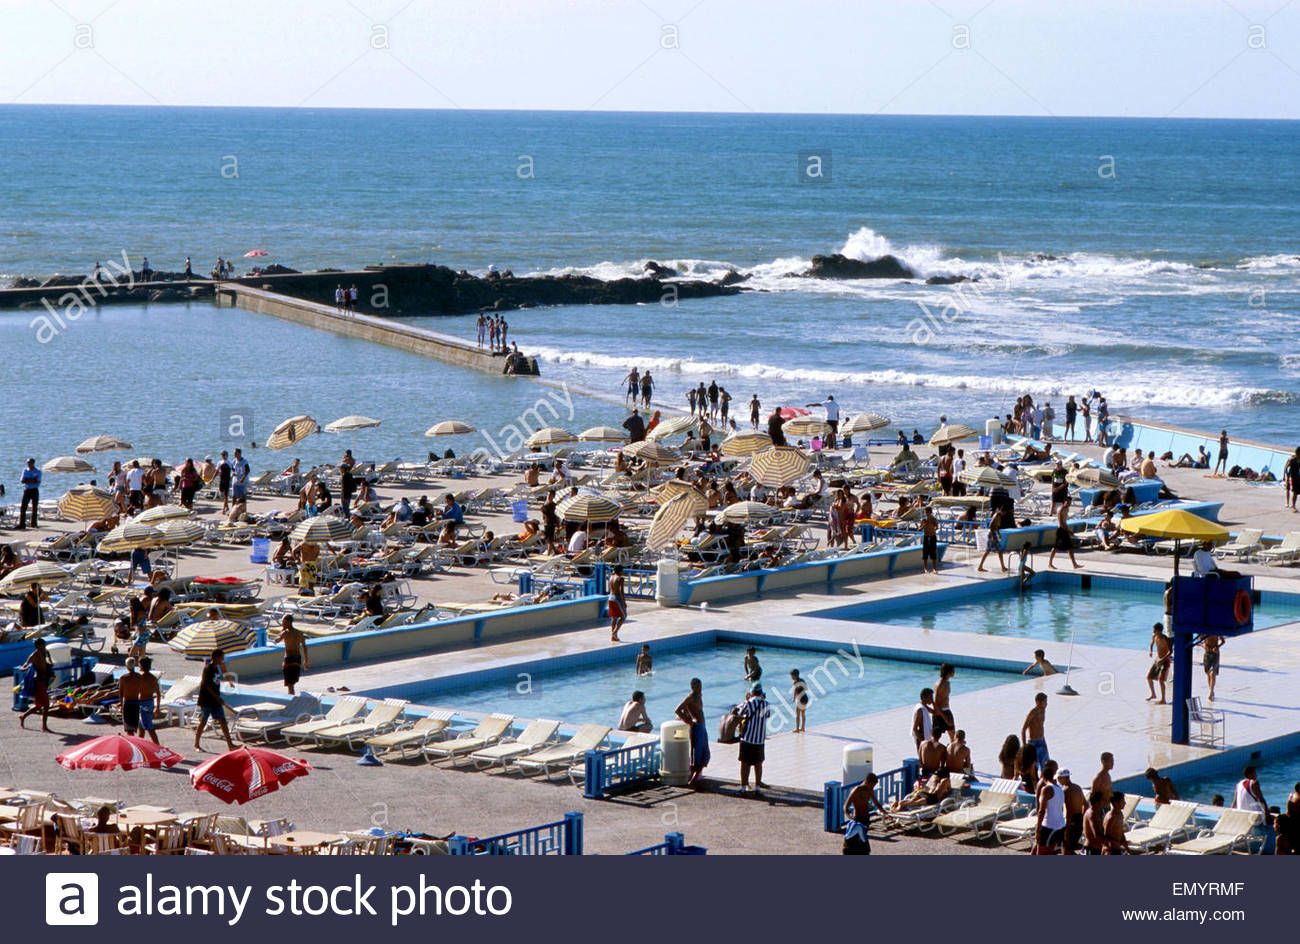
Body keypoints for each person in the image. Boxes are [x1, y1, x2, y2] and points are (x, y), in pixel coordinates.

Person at [194, 649, 236, 751]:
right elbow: (206, 685)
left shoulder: (216, 668)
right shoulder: (208, 669)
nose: (223, 659)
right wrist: (217, 698)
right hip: (207, 700)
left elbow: (223, 674)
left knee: (222, 721)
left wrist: (229, 681)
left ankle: (230, 745)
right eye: (222, 657)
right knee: (203, 722)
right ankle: (196, 744)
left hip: (215, 700)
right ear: (216, 658)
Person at [736, 683, 771, 795]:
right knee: (758, 764)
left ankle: (743, 787)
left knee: (744, 764)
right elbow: (768, 715)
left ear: (752, 692)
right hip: (759, 739)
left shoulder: (748, 703)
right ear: (761, 693)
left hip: (747, 738)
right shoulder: (766, 704)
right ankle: (757, 788)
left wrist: (746, 699)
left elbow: (739, 713)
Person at [674, 678, 710, 787]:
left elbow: (688, 710)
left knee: (705, 755)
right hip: (697, 726)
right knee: (698, 756)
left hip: (702, 726)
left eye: (700, 685)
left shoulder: (698, 696)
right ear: (692, 687)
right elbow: (678, 710)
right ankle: (693, 782)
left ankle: (692, 779)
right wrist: (688, 721)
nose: (700, 688)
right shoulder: (691, 697)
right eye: (697, 686)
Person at [841, 772, 884, 854]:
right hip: (857, 818)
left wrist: (885, 813)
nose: (873, 787)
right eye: (872, 785)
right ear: (867, 781)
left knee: (863, 840)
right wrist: (849, 817)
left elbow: (877, 803)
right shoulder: (856, 790)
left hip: (866, 818)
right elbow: (846, 806)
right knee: (853, 840)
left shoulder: (870, 790)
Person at [18, 638, 53, 731]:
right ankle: (44, 727)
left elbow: (50, 662)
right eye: (43, 645)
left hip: (44, 681)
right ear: (38, 646)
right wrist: (25, 669)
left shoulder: (45, 652)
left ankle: (23, 716)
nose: (44, 647)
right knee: (46, 705)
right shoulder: (34, 655)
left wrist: (49, 660)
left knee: (39, 705)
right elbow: (24, 665)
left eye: (44, 645)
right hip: (38, 682)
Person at [1033, 761, 1066, 854]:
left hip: (1049, 826)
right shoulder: (1060, 789)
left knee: (1041, 853)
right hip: (1060, 825)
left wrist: (1037, 829)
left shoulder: (1046, 789)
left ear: (1043, 777)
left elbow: (1042, 811)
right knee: (1050, 852)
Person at [279, 614, 309, 695]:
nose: (282, 624)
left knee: (290, 685)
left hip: (289, 659)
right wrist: (306, 661)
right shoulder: (299, 633)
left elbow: (277, 640)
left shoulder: (285, 633)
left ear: (288, 622)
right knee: (292, 683)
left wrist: (282, 632)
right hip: (297, 659)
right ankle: (292, 695)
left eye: (283, 622)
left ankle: (291, 698)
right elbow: (304, 647)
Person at [1058, 769, 1086, 854]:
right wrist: (1082, 819)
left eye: (1059, 778)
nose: (1058, 780)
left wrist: (1066, 828)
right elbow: (1085, 805)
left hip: (1071, 821)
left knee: (1066, 848)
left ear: (1064, 778)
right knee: (1069, 848)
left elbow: (1069, 810)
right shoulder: (1078, 787)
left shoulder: (1066, 790)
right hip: (1080, 819)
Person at [118, 658, 146, 736]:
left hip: (127, 703)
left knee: (129, 730)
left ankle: (130, 742)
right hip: (136, 703)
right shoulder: (139, 677)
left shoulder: (123, 678)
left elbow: (121, 693)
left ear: (127, 666)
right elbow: (142, 691)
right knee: (134, 727)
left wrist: (121, 705)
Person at [137, 656, 161, 744]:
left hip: (143, 703)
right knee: (141, 728)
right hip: (149, 702)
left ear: (141, 665)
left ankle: (158, 746)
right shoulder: (153, 678)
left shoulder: (140, 677)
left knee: (149, 727)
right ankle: (140, 746)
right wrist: (157, 707)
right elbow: (158, 693)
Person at [1146, 623, 1172, 703]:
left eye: (1155, 631)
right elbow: (1151, 643)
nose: (1153, 632)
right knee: (1149, 677)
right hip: (1158, 659)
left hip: (1165, 661)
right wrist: (1150, 651)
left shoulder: (1165, 639)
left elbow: (1170, 652)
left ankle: (1163, 699)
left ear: (1159, 631)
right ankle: (1153, 694)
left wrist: (1163, 659)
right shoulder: (1154, 636)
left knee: (1161, 680)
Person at [1021, 692, 1049, 768]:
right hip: (1033, 743)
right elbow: (1023, 729)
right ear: (1038, 702)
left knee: (1046, 765)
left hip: (1042, 740)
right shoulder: (1032, 713)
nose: (1046, 704)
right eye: (1045, 702)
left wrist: (1044, 741)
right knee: (1033, 767)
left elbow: (1041, 726)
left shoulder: (1043, 711)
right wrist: (1024, 747)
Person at [977, 507, 1008, 573]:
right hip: (992, 535)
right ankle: (1002, 567)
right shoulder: (996, 516)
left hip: (993, 534)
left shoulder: (999, 516)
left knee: (994, 551)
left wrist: (998, 534)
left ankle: (1002, 567)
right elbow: (991, 525)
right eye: (1004, 512)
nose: (1004, 514)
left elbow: (996, 527)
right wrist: (994, 537)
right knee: (994, 551)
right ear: (1002, 511)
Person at [1196, 632, 1224, 701]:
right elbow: (1199, 641)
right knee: (1208, 674)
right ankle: (1211, 690)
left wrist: (1217, 647)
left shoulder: (1217, 630)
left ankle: (1211, 693)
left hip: (1215, 654)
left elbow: (1223, 641)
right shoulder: (1205, 631)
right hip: (1207, 653)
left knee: (1213, 673)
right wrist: (1204, 646)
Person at [933, 662, 955, 739]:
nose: (954, 672)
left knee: (953, 737)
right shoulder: (940, 684)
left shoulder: (947, 683)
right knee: (935, 738)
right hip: (940, 713)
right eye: (953, 671)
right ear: (948, 672)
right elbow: (935, 703)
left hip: (947, 710)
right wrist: (945, 717)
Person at [1082, 790, 1108, 854]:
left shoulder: (1098, 812)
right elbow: (1096, 835)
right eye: (1102, 800)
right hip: (1090, 849)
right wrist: (1113, 841)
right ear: (1097, 802)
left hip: (1097, 848)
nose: (1104, 802)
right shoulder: (1091, 814)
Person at [608, 564, 627, 642]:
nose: (623, 572)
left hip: (610, 597)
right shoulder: (620, 578)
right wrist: (624, 602)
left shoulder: (611, 577)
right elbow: (621, 591)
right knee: (624, 616)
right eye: (622, 571)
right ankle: (614, 632)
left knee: (614, 617)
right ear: (620, 571)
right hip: (617, 598)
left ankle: (613, 637)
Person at [911, 688, 934, 752]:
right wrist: (923, 742)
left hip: (926, 737)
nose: (932, 699)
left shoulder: (924, 706)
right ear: (924, 698)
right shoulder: (920, 710)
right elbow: (914, 728)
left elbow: (936, 712)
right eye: (930, 697)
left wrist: (933, 702)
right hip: (922, 737)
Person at [921, 506, 939, 574]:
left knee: (933, 553)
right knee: (925, 553)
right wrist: (924, 525)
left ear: (930, 512)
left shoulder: (933, 519)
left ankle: (934, 569)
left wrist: (932, 529)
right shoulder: (923, 520)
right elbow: (919, 528)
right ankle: (925, 568)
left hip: (932, 536)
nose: (927, 513)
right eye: (926, 512)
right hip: (926, 536)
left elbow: (937, 527)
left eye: (928, 512)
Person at [790, 669, 809, 733]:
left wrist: (794, 698)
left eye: (792, 676)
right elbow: (806, 688)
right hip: (805, 698)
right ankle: (802, 728)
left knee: (797, 714)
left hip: (801, 699)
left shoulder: (795, 682)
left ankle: (797, 729)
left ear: (795, 676)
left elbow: (795, 691)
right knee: (803, 714)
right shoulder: (802, 680)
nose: (791, 677)